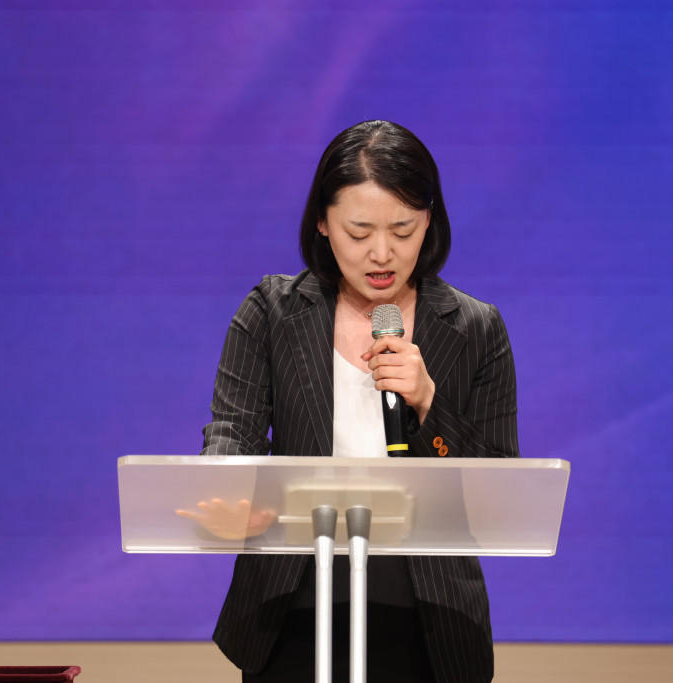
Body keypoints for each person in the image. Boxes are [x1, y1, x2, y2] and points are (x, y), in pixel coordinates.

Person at [201, 120, 519, 682]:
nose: (382, 253)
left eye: (402, 230)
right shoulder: (272, 313)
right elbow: (232, 433)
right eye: (359, 231)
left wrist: (428, 403)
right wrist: (226, 490)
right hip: (295, 602)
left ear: (429, 222)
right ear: (323, 223)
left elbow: (498, 489)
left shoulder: (475, 328)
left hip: (430, 615)